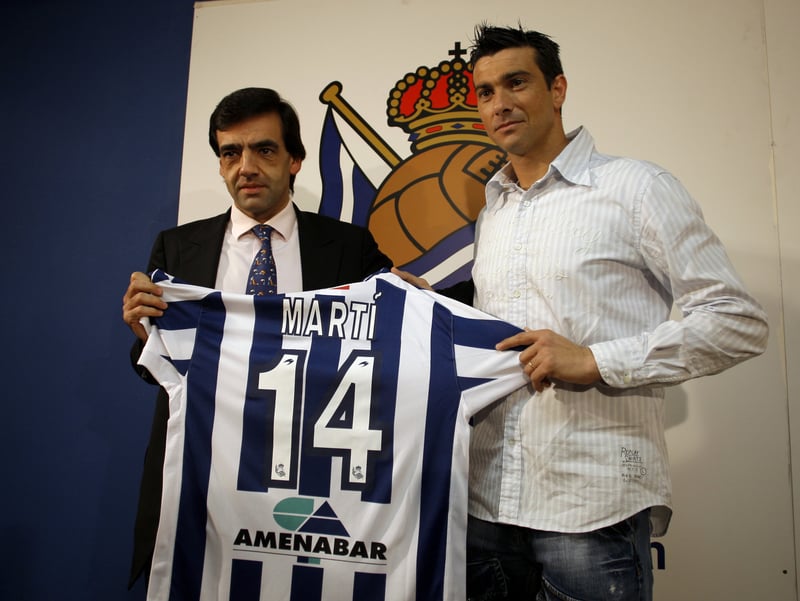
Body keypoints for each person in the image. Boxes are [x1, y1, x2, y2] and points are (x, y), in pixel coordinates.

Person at [399, 24, 769, 600]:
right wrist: (427, 307)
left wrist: (596, 360)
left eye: (516, 83)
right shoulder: (494, 210)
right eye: (486, 92)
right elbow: (506, 328)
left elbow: (737, 321)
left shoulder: (637, 187)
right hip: (486, 500)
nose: (500, 104)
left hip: (591, 503)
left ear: (558, 89)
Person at [121, 87, 392, 588]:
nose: (246, 166)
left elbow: (391, 353)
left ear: (295, 160)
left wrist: (414, 299)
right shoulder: (177, 249)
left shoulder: (349, 248)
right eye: (231, 153)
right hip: (204, 474)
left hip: (312, 478)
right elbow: (160, 372)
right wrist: (145, 337)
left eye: (264, 150)